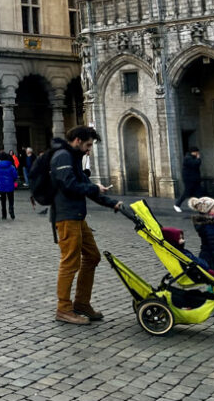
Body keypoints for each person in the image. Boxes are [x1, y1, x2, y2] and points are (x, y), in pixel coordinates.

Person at [50, 125, 122, 325]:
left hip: (78, 216)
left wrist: (112, 203)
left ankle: (81, 303)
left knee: (92, 256)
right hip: (66, 217)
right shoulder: (63, 157)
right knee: (69, 262)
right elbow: (69, 185)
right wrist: (92, 186)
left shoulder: (73, 158)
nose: (89, 150)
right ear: (77, 141)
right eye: (88, 145)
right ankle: (63, 309)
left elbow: (85, 187)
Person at [173, 147, 203, 212]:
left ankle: (201, 207)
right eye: (197, 152)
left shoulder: (192, 158)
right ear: (193, 152)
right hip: (189, 179)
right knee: (186, 192)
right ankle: (177, 205)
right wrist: (198, 158)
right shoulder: (188, 158)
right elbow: (195, 164)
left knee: (199, 193)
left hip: (194, 179)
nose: (198, 153)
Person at [0, 152, 18, 220]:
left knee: (3, 200)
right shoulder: (11, 166)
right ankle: (11, 209)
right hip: (10, 185)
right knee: (11, 199)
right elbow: (15, 176)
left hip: (1, 185)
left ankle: (4, 214)